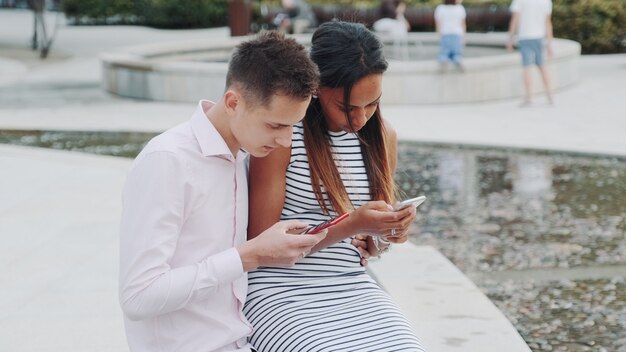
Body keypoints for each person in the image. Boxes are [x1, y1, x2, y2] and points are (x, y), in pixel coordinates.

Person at [118, 31, 325, 352]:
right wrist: (250, 254)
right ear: (232, 102)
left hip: (240, 340)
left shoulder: (241, 154)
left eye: (292, 126)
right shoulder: (168, 160)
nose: (287, 141)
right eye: (275, 125)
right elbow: (138, 296)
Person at [243, 21, 426, 352]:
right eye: (347, 107)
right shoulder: (285, 136)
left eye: (372, 104)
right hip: (279, 289)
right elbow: (262, 244)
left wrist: (386, 233)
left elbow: (370, 245)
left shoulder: (383, 138)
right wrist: (352, 223)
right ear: (317, 87)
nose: (360, 120)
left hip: (350, 285)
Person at [506, 0, 554, 106]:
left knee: (527, 67)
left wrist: (510, 38)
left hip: (525, 36)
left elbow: (515, 19)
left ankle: (529, 97)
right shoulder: (546, 1)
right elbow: (548, 22)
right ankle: (550, 94)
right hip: (539, 37)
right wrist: (550, 43)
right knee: (542, 66)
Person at [434, 0, 467, 72]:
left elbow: (438, 24)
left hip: (445, 34)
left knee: (444, 53)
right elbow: (463, 24)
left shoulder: (440, 8)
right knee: (457, 53)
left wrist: (439, 35)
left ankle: (443, 61)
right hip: (457, 35)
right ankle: (458, 60)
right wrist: (463, 37)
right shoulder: (460, 8)